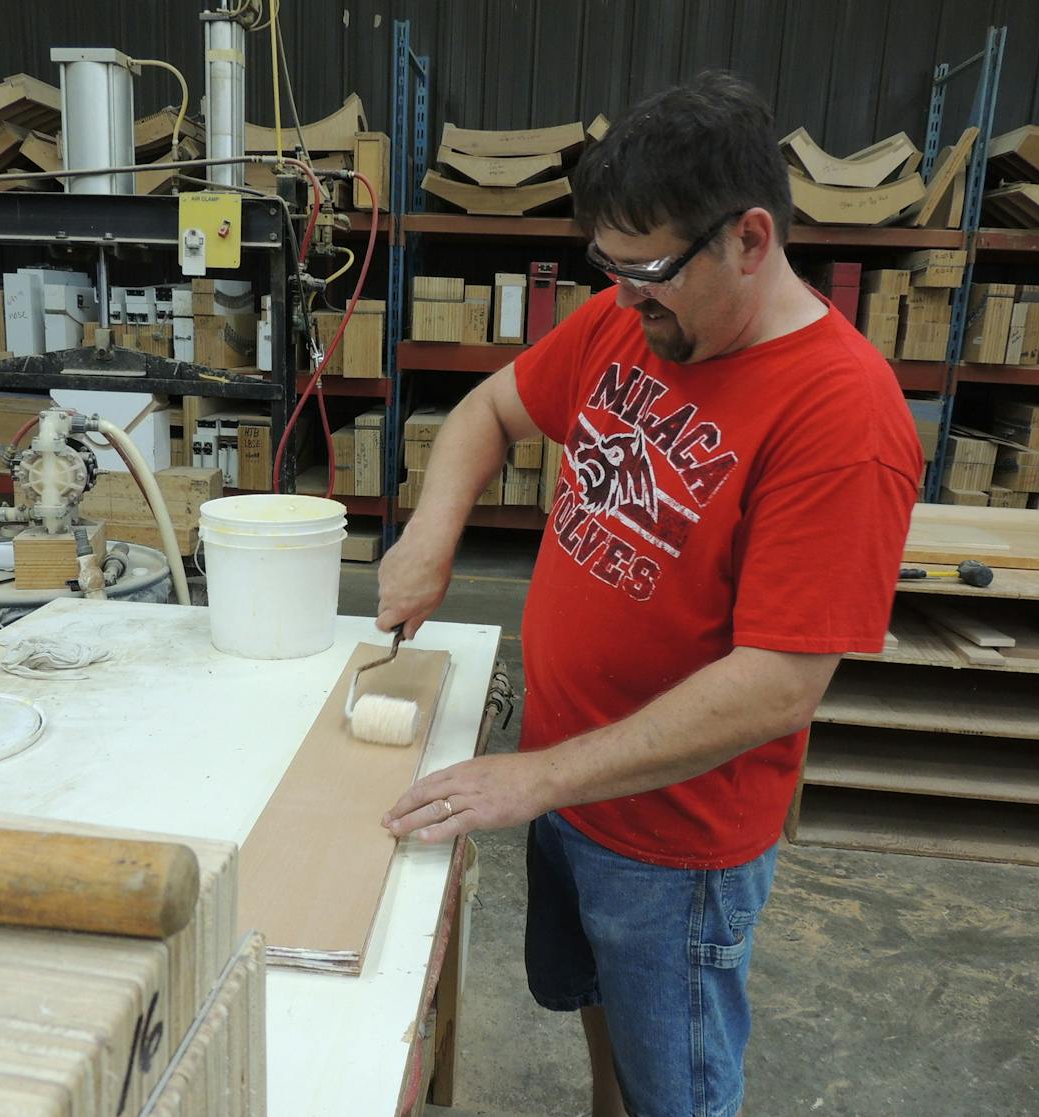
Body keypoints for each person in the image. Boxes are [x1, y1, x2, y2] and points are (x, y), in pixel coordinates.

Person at [377, 72, 922, 1117]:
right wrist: (429, 537)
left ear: (750, 239)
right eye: (610, 269)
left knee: (678, 1084)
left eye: (654, 271)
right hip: (570, 783)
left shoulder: (841, 421)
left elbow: (776, 686)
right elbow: (491, 409)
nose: (626, 300)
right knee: (606, 1030)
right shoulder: (633, 322)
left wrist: (537, 777)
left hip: (676, 846)